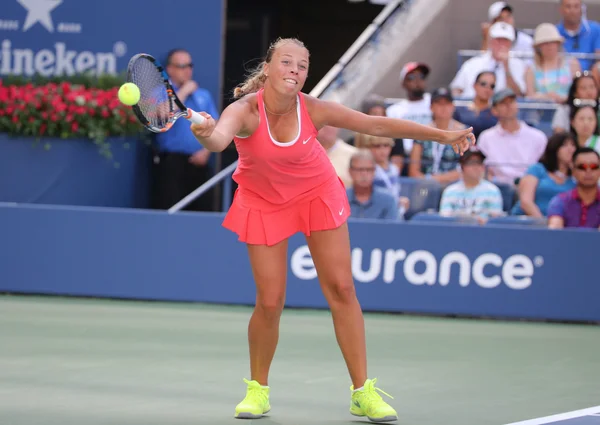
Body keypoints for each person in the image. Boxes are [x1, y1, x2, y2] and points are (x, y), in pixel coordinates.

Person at [189, 37, 474, 422]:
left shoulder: (314, 109)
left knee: (342, 288)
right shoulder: (244, 111)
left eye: (302, 65)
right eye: (286, 62)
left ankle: (362, 392)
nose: (294, 70)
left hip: (315, 194)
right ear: (269, 67)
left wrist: (443, 135)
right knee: (270, 300)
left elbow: (376, 124)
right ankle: (257, 390)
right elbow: (219, 139)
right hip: (263, 201)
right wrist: (204, 132)